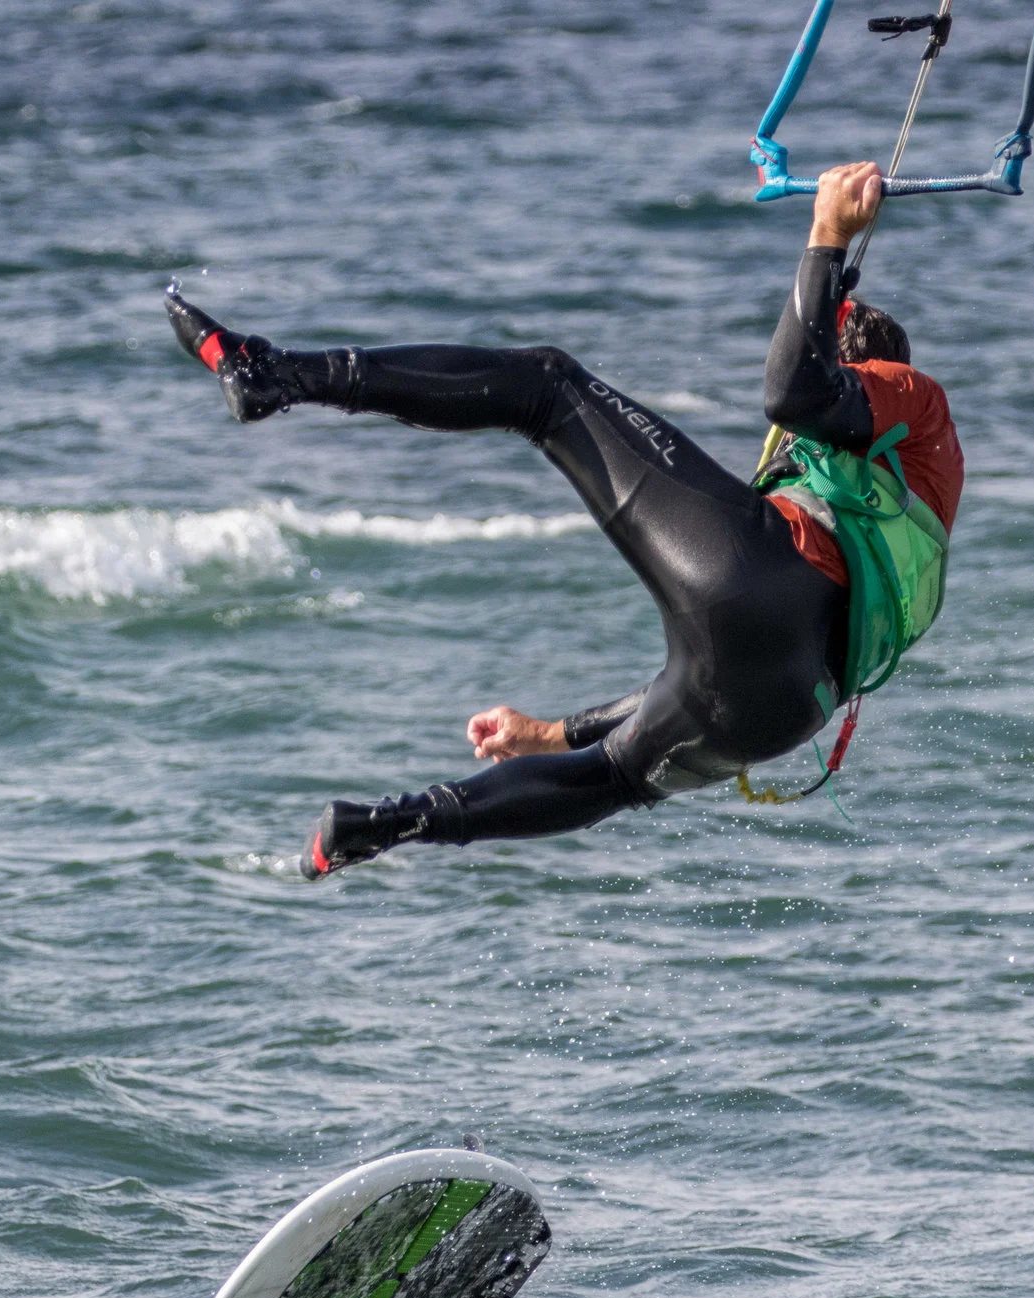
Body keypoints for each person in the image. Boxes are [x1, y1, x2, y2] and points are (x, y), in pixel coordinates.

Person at [166, 162, 963, 880]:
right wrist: (554, 733)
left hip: (771, 585)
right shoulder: (909, 522)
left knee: (548, 387)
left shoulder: (909, 395)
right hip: (789, 707)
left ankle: (271, 374)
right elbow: (731, 648)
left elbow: (792, 391)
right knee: (610, 776)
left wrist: (826, 239)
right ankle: (385, 825)